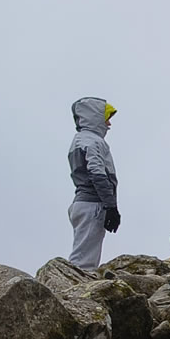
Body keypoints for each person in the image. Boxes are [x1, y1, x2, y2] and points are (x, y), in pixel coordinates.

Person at [66, 97, 120, 272]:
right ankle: (73, 295)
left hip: (82, 202)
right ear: (94, 117)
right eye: (106, 118)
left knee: (83, 254)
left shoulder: (80, 140)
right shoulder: (92, 141)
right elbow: (97, 173)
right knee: (84, 263)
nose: (109, 124)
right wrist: (110, 206)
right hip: (92, 204)